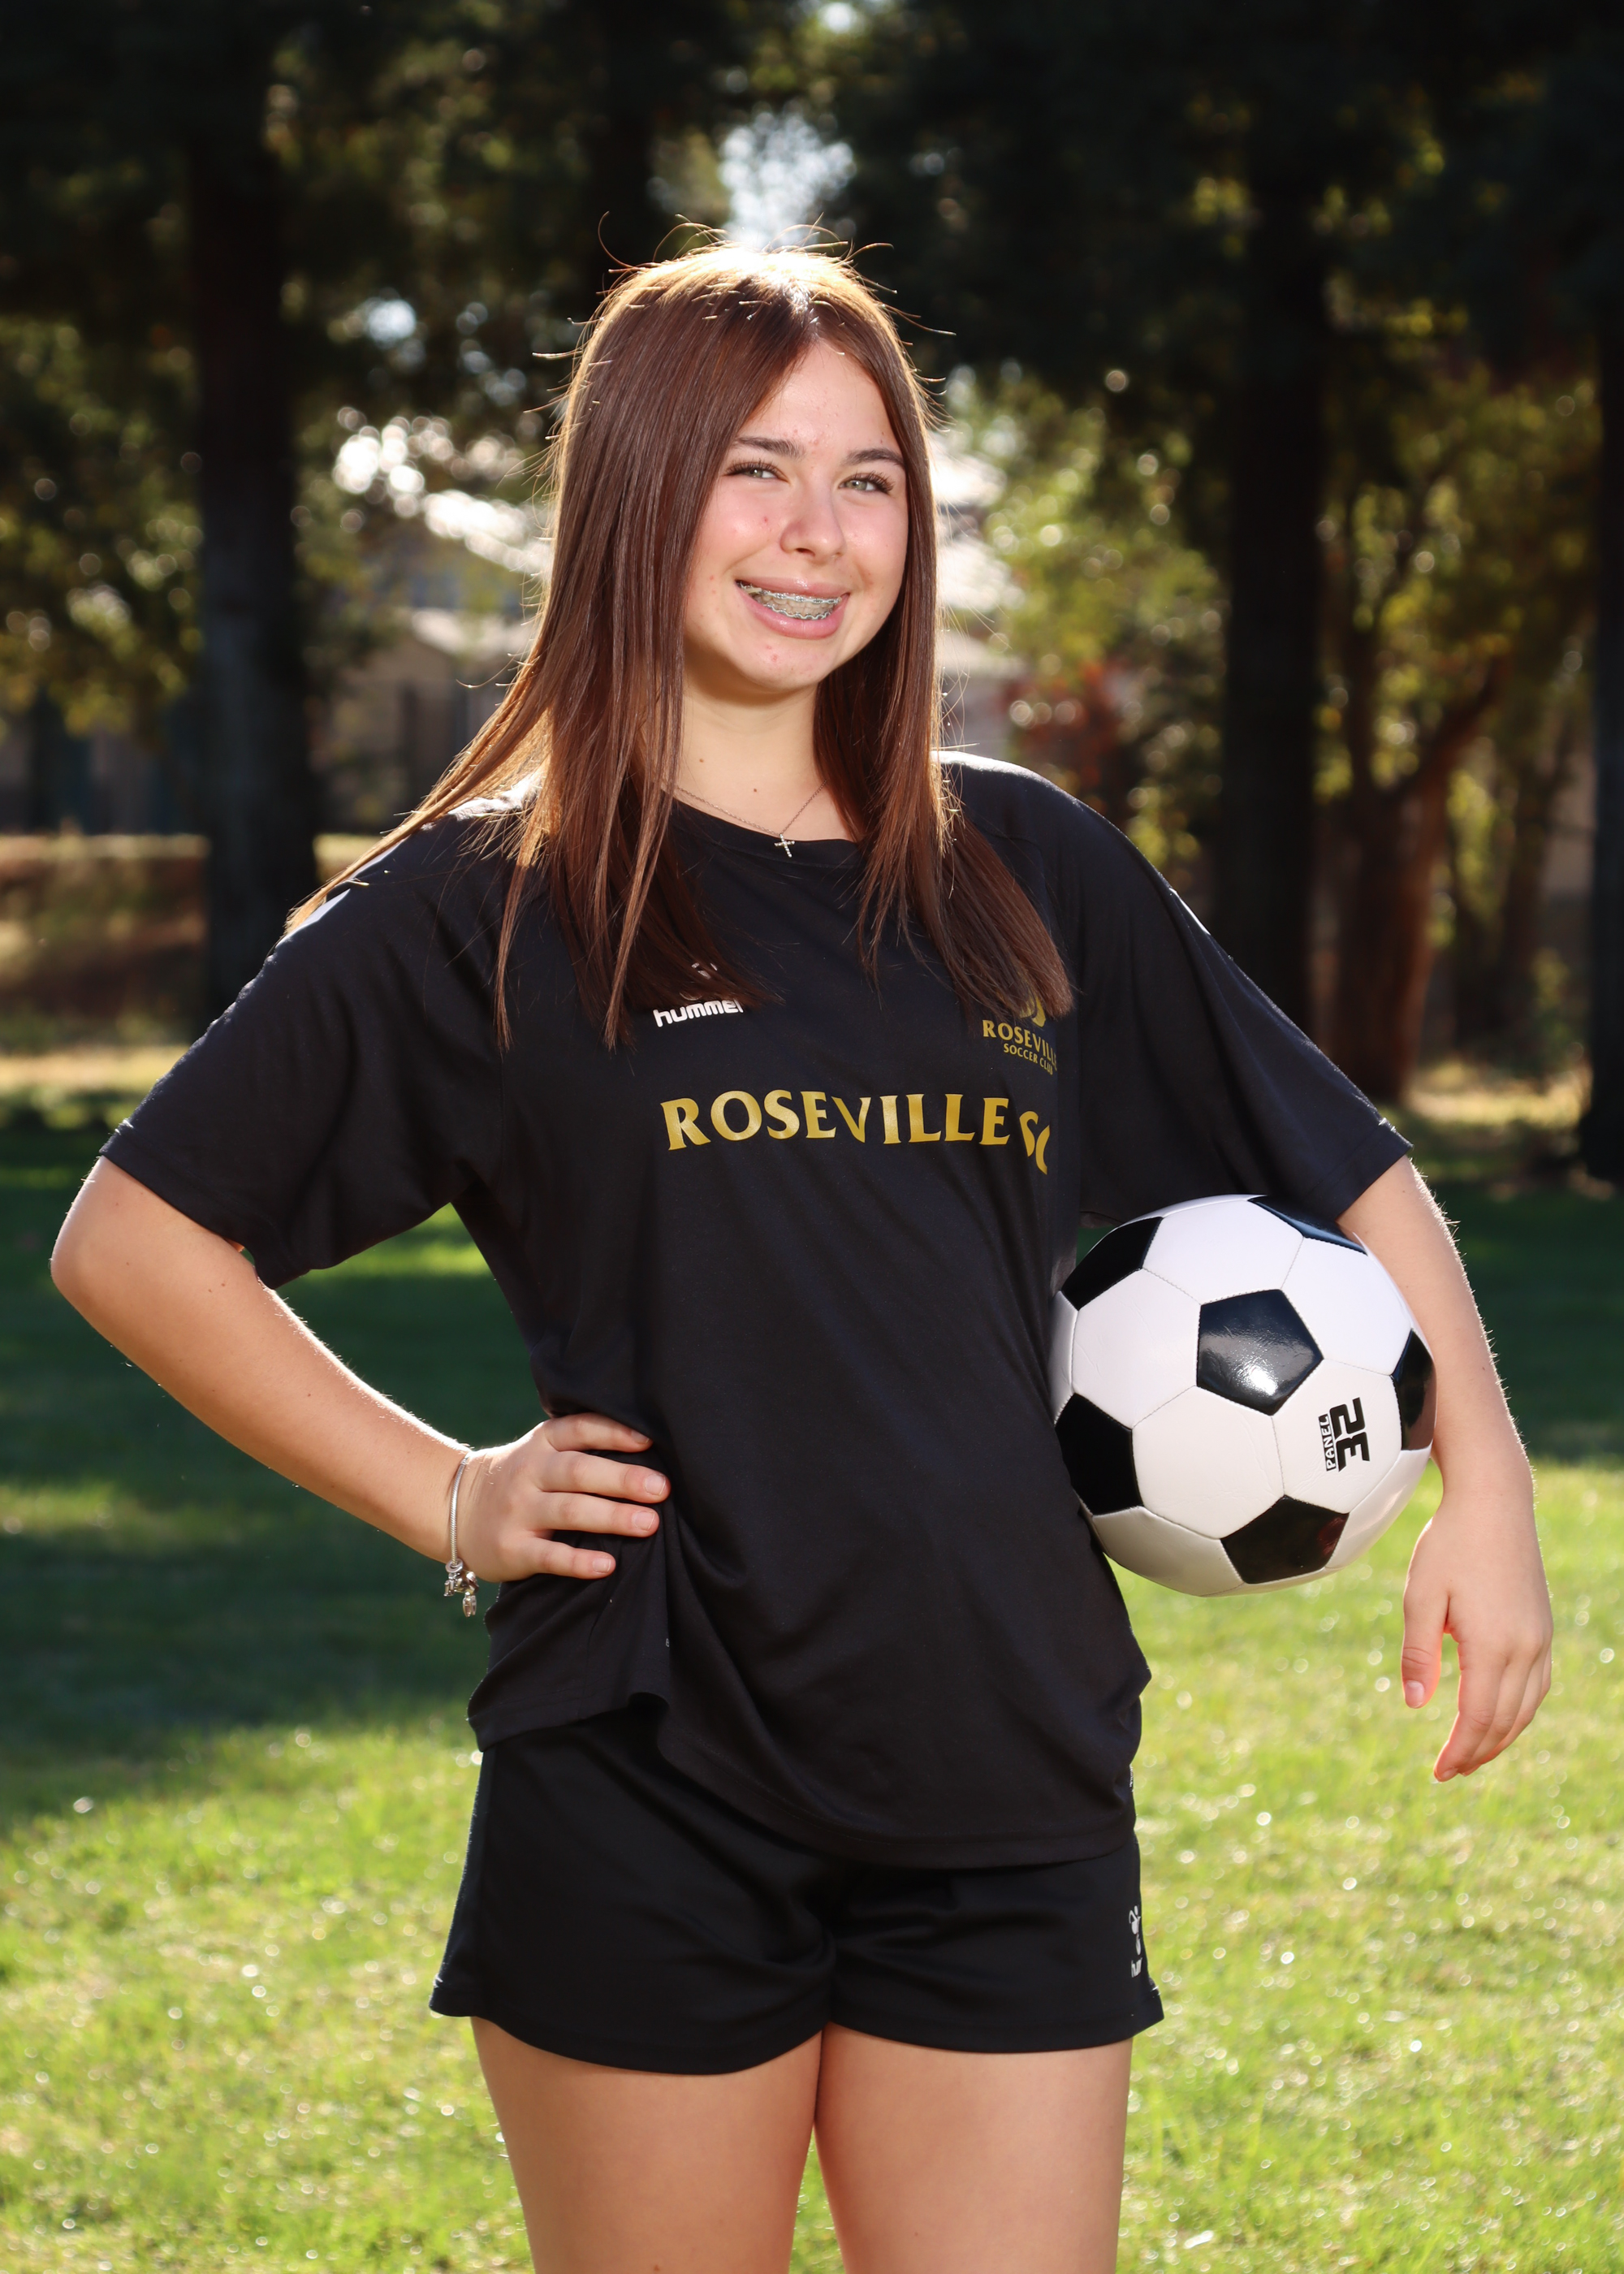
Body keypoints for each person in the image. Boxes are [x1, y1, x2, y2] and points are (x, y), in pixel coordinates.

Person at [50, 247, 1552, 2274]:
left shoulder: (1022, 866)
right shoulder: (489, 902)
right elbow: (135, 1236)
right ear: (636, 491)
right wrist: (452, 1491)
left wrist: (1489, 1484)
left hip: (1007, 1763)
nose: (815, 533)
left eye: (868, 480)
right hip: (651, 1766)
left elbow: (1344, 1162)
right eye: (753, 469)